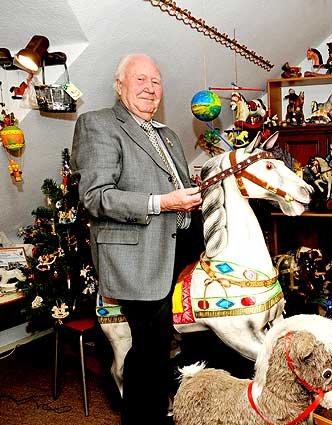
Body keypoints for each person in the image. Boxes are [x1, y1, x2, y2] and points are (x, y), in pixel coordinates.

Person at [71, 53, 203, 425]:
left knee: (182, 339)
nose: (150, 88)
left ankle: (168, 408)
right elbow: (96, 197)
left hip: (181, 248)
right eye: (140, 79)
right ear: (120, 86)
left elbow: (178, 188)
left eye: (156, 81)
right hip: (138, 256)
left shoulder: (168, 135)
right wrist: (162, 202)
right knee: (150, 347)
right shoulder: (98, 124)